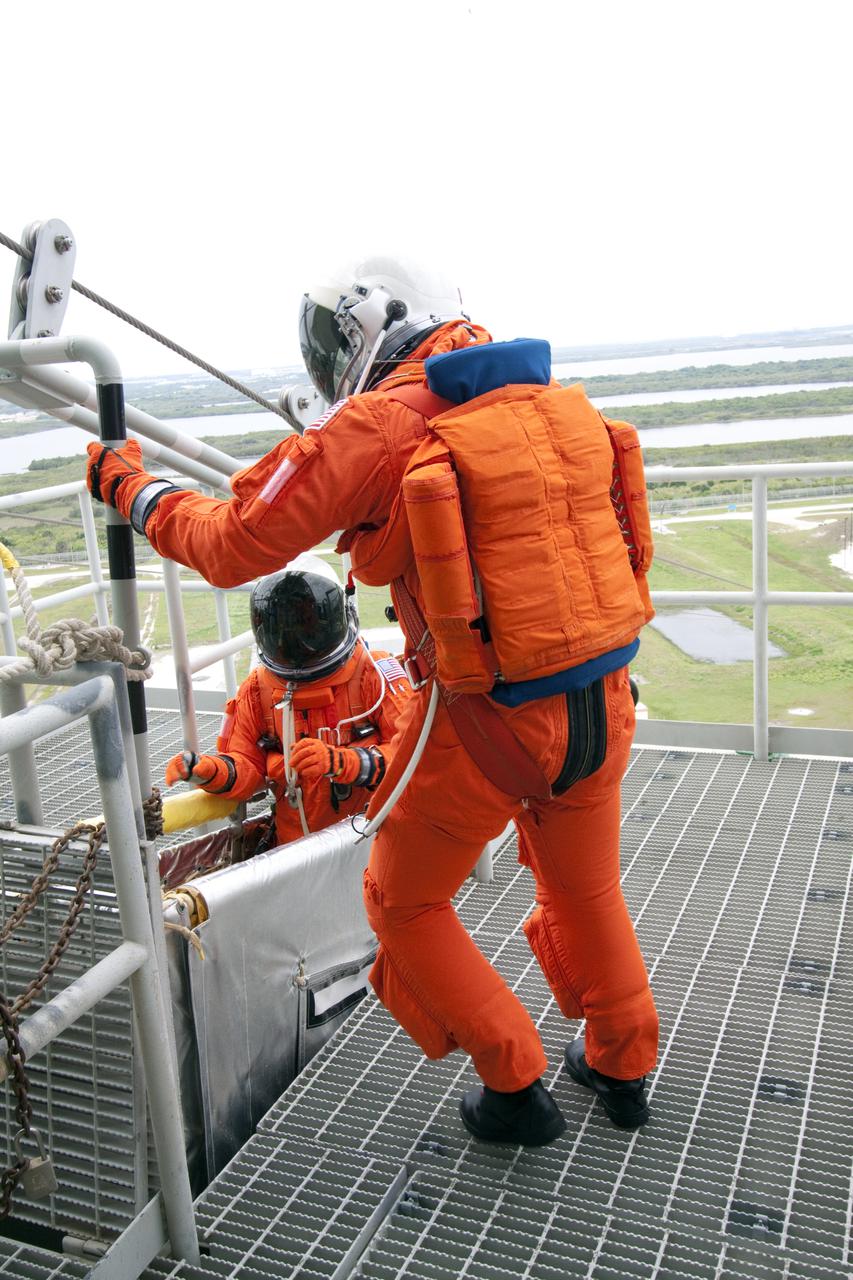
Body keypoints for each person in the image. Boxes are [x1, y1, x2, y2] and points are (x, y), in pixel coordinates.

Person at [85, 256, 659, 1145]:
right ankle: (622, 1065)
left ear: (365, 329)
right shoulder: (547, 402)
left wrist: (134, 487)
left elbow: (234, 543)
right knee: (585, 891)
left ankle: (515, 1087)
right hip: (604, 707)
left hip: (485, 727)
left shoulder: (379, 426)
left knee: (403, 905)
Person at [163, 558, 411, 846]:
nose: (297, 641)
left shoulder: (375, 675)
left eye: (307, 623)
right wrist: (210, 771)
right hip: (293, 849)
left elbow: (413, 757)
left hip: (372, 839)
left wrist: (343, 762)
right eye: (284, 627)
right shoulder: (257, 690)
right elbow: (247, 770)